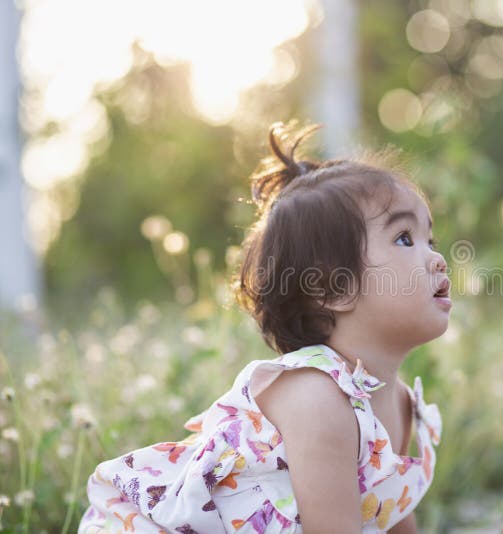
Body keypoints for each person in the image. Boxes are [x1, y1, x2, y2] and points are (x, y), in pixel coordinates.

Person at [78, 120, 451, 533]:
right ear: (335, 288)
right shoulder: (318, 397)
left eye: (430, 240)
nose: (437, 258)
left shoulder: (398, 402)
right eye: (404, 238)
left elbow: (391, 508)